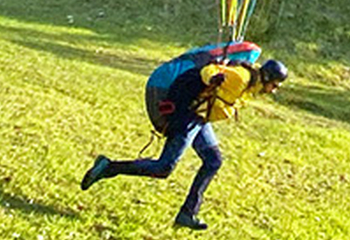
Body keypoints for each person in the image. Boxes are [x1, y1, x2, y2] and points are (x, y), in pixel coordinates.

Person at [81, 54, 288, 229]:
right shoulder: (241, 78)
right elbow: (209, 70)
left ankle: (187, 214)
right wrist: (212, 77)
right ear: (268, 77)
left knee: (213, 160)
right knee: (163, 167)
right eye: (274, 85)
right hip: (187, 116)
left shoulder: (250, 85)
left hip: (199, 118)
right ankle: (108, 167)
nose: (273, 89)